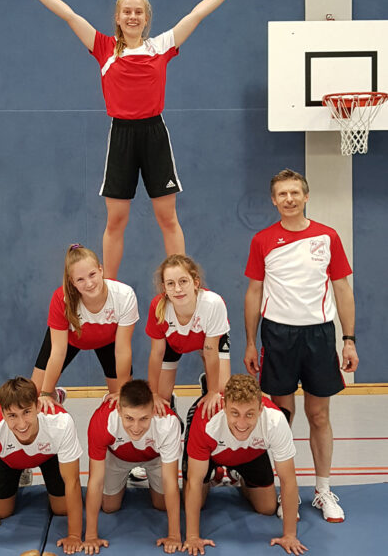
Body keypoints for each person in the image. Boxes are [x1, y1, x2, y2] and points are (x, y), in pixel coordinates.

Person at [5, 0, 258, 278]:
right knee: (116, 220)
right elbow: (69, 15)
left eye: (139, 11)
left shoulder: (162, 45)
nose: (133, 16)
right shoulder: (103, 48)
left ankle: (179, 279)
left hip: (154, 134)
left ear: (146, 18)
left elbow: (196, 14)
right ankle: (109, 287)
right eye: (127, 11)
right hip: (122, 135)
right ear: (118, 17)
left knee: (168, 218)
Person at [244, 168, 359, 523]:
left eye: (295, 193)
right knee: (282, 418)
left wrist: (349, 339)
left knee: (318, 415)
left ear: (306, 196)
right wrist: (250, 341)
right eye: (282, 194)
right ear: (274, 200)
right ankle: (286, 491)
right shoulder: (262, 240)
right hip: (278, 336)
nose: (289, 199)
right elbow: (253, 292)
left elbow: (342, 289)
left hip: (319, 335)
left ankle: (323, 490)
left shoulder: (328, 237)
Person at [0, 377, 84, 556]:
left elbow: (72, 481)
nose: (22, 424)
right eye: (12, 415)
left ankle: (56, 396)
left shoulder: (60, 422)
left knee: (62, 509)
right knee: (0, 513)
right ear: (2, 413)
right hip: (9, 458)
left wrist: (74, 535)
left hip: (49, 454)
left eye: (26, 412)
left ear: (38, 406)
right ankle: (23, 471)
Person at [183, 375, 307, 556]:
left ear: (261, 409)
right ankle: (213, 475)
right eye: (235, 413)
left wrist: (290, 535)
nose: (241, 423)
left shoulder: (275, 421)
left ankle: (238, 475)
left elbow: (288, 480)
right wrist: (192, 536)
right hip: (212, 454)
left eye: (249, 414)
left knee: (267, 508)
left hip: (251, 452)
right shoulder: (206, 420)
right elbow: (194, 482)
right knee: (195, 502)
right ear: (224, 407)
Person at [32, 244, 138, 411]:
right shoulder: (62, 299)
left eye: (92, 274)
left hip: (108, 340)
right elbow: (58, 351)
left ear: (101, 270)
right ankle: (55, 395)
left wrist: (121, 392)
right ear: (72, 282)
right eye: (80, 279)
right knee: (36, 396)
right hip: (70, 340)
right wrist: (45, 393)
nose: (89, 283)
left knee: (123, 401)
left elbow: (123, 349)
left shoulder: (124, 295)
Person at [84, 379, 182, 555]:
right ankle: (128, 475)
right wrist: (91, 535)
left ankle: (171, 400)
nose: (136, 427)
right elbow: (95, 480)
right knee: (109, 507)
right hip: (117, 457)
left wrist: (174, 535)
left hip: (155, 457)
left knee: (162, 504)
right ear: (119, 410)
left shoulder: (168, 422)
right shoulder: (102, 419)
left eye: (144, 418)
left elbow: (171, 481)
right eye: (129, 418)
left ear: (152, 411)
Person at [146, 254, 230, 419]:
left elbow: (210, 350)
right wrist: (153, 393)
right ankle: (172, 403)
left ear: (195, 283)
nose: (177, 289)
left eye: (183, 281)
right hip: (174, 341)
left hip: (207, 339)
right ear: (164, 287)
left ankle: (208, 384)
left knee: (221, 392)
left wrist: (212, 392)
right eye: (171, 284)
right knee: (161, 400)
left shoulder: (213, 304)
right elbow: (156, 353)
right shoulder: (158, 308)